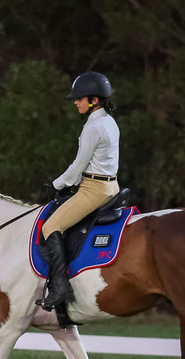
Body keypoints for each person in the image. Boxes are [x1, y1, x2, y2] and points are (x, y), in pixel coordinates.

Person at [37, 71, 120, 311]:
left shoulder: (93, 127)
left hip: (94, 189)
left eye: (79, 98)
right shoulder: (109, 122)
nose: (75, 102)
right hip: (109, 185)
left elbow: (78, 167)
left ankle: (61, 287)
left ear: (94, 100)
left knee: (50, 226)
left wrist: (56, 184)